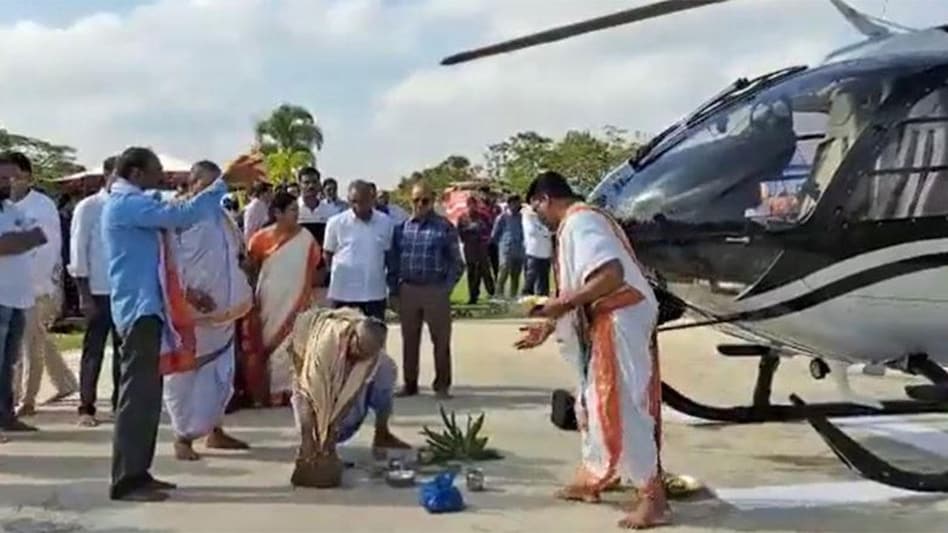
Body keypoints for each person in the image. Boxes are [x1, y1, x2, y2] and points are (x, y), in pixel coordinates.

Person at [103, 147, 261, 502]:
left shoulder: (138, 201)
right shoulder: (126, 205)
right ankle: (126, 480)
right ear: (137, 173)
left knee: (147, 398)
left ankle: (139, 473)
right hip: (139, 312)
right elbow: (184, 213)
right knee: (137, 399)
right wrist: (224, 183)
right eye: (156, 171)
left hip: (152, 311)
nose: (163, 177)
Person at [514, 171, 668, 530]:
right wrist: (549, 325)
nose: (536, 216)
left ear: (543, 200)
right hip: (608, 319)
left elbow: (609, 276)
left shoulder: (580, 222)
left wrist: (559, 305)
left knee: (623, 405)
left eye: (535, 208)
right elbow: (579, 286)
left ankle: (652, 496)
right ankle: (599, 475)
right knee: (591, 402)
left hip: (620, 317)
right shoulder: (576, 223)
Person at [164, 161, 253, 461]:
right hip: (192, 310)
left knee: (222, 373)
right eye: (211, 184)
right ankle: (182, 437)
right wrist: (188, 292)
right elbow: (167, 262)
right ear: (194, 183)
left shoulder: (222, 215)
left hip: (225, 310)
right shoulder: (178, 214)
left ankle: (214, 430)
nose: (218, 191)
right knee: (187, 374)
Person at [10, 152, 78, 418]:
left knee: (29, 346)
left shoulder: (41, 207)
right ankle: (64, 382)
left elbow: (47, 250)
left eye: (15, 175)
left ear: (28, 178)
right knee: (23, 344)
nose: (10, 181)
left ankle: (25, 399)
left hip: (34, 288)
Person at [242, 192, 322, 408]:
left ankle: (292, 392)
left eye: (297, 210)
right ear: (277, 213)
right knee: (270, 345)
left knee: (294, 345)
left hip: (298, 300)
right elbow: (251, 269)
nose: (297, 214)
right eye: (292, 210)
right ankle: (270, 392)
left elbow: (314, 267)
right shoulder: (260, 239)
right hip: (270, 299)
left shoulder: (306, 238)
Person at [387, 182, 463, 399]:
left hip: (435, 289)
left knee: (440, 341)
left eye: (425, 200)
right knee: (409, 340)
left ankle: (442, 385)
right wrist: (393, 290)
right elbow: (392, 262)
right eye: (416, 200)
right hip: (408, 289)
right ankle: (410, 384)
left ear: (433, 201)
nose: (420, 205)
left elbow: (457, 263)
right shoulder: (401, 229)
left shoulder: (444, 227)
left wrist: (445, 288)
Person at [71, 155, 122, 427]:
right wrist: (83, 293)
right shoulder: (88, 207)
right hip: (97, 290)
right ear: (106, 175)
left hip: (124, 290)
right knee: (94, 350)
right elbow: (78, 251)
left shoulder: (128, 206)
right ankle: (86, 408)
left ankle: (119, 405)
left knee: (123, 352)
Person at [0, 154, 47, 437]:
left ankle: (5, 415)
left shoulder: (10, 209)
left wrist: (19, 240)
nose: (9, 183)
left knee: (9, 362)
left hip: (19, 296)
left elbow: (39, 236)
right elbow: (5, 245)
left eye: (12, 178)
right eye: (3, 178)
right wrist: (21, 240)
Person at [323, 181, 392, 321]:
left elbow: (388, 255)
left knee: (374, 341)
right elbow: (327, 254)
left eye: (363, 201)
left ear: (372, 199)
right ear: (348, 200)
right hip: (343, 294)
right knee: (342, 340)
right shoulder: (335, 223)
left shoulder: (385, 222)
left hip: (374, 294)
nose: (358, 206)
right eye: (354, 202)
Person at [456, 195, 495, 304]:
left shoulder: (483, 216)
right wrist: (468, 230)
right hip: (470, 247)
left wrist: (484, 237)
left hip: (481, 246)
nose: (472, 207)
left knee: (485, 270)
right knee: (472, 272)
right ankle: (473, 296)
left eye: (474, 204)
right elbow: (459, 232)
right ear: (467, 205)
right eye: (470, 204)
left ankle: (492, 294)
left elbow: (490, 229)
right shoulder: (462, 217)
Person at [491, 195, 526, 299]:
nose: (519, 205)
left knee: (516, 274)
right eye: (517, 203)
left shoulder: (522, 217)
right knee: (504, 272)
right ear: (511, 203)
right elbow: (494, 235)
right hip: (506, 249)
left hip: (519, 249)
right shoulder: (502, 217)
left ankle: (513, 296)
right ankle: (498, 295)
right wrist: (501, 245)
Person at [521, 203, 552, 296]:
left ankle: (542, 299)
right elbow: (532, 231)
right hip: (533, 252)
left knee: (544, 279)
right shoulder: (528, 216)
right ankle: (526, 296)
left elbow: (551, 230)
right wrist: (546, 232)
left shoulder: (544, 217)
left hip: (546, 252)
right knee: (531, 277)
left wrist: (546, 231)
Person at [296, 167, 324, 244]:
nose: (311, 186)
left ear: (319, 184)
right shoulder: (292, 210)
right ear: (299, 185)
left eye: (314, 182)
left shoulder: (329, 211)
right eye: (306, 182)